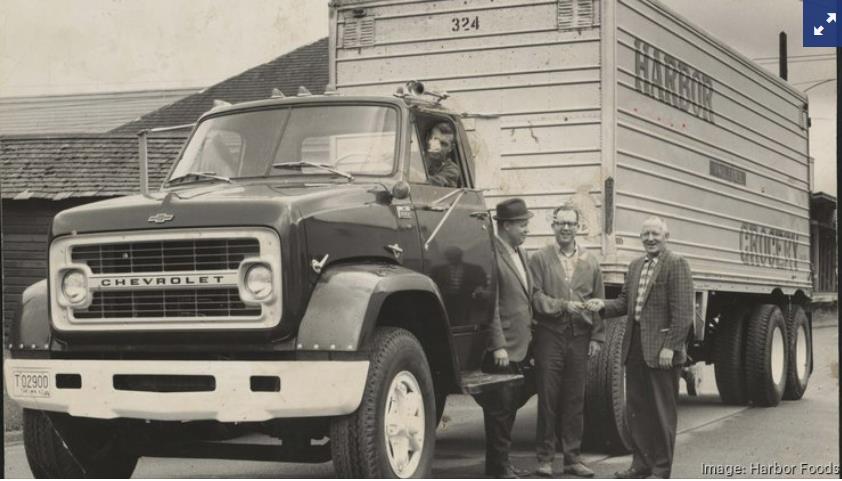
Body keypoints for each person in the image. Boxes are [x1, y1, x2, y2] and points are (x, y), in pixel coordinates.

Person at [586, 217, 693, 479]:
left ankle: (660, 470)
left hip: (662, 351)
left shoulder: (676, 264)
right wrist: (602, 305)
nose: (650, 238)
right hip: (634, 348)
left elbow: (683, 313)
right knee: (637, 411)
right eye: (645, 234)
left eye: (655, 233)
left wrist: (671, 347)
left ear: (666, 236)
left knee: (661, 414)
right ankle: (641, 465)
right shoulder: (635, 266)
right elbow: (624, 303)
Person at [529, 204, 604, 478]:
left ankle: (572, 458)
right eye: (561, 223)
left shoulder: (590, 261)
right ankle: (545, 458)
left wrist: (597, 336)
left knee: (575, 399)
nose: (565, 228)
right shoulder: (539, 258)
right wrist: (563, 305)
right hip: (550, 336)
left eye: (571, 224)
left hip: (580, 338)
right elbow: (535, 297)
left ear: (578, 227)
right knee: (548, 399)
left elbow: (598, 300)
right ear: (553, 226)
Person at [474, 198, 536, 479]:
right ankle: (498, 470)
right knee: (500, 411)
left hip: (521, 345)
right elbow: (491, 305)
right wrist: (497, 344)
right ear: (507, 225)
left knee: (508, 409)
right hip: (504, 347)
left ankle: (502, 465)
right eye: (522, 224)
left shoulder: (519, 253)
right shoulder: (492, 255)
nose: (527, 230)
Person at [425, 122, 461, 187]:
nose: (438, 147)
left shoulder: (452, 170)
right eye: (435, 140)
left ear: (451, 148)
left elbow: (434, 183)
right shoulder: (412, 159)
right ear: (428, 139)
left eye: (444, 144)